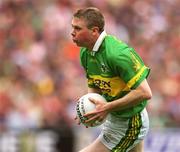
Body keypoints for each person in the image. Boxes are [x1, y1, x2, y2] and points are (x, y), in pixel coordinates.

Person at [71, 7, 152, 152]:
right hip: (115, 119)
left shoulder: (117, 54)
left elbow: (145, 93)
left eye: (77, 28)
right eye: (72, 27)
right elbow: (95, 86)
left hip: (131, 121)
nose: (72, 32)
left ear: (94, 31)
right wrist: (89, 109)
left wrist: (106, 107)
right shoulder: (85, 52)